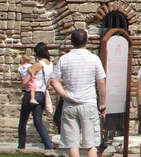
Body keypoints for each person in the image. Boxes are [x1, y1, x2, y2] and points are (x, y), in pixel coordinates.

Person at [50, 29, 107, 157]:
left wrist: (65, 95)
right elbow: (101, 83)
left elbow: (54, 81)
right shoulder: (94, 59)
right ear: (87, 41)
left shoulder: (64, 59)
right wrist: (102, 103)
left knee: (73, 143)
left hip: (70, 104)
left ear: (71, 42)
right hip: (88, 103)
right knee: (91, 143)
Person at [17, 42, 55, 150]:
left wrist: (21, 77)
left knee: (23, 120)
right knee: (38, 122)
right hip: (42, 94)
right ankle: (48, 145)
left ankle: (21, 146)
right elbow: (48, 83)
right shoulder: (50, 65)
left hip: (32, 94)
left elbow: (26, 81)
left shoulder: (38, 64)